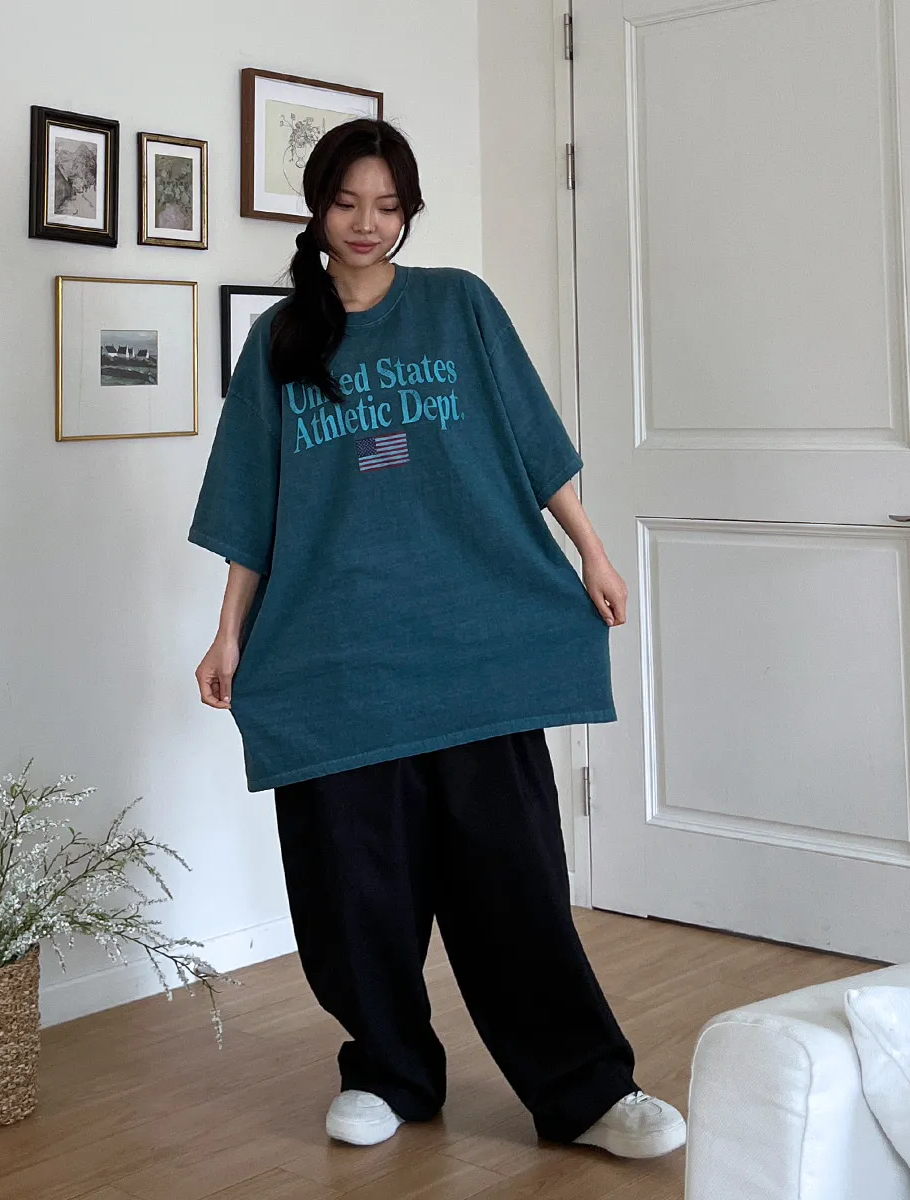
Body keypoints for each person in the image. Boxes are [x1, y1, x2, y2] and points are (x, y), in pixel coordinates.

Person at [188, 117, 686, 1159]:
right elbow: (249, 503)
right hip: (334, 654)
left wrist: (592, 552)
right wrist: (226, 634)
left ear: (409, 211)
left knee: (513, 882)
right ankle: (388, 1070)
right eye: (346, 203)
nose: (366, 224)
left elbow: (535, 442)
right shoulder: (279, 339)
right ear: (317, 209)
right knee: (353, 890)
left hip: (473, 643)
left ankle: (585, 1090)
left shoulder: (458, 304)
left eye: (387, 205)